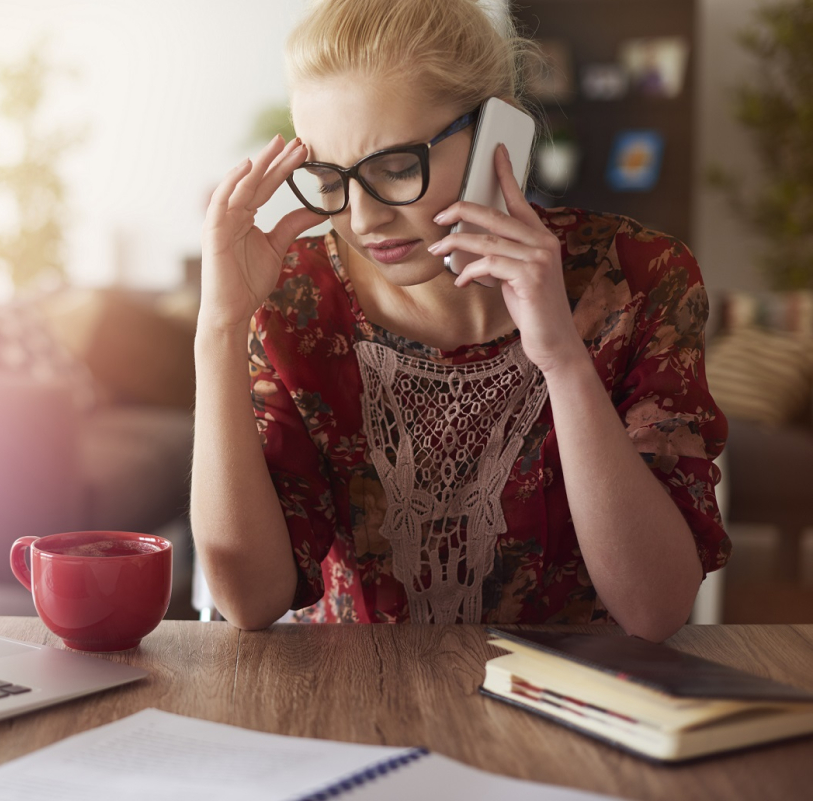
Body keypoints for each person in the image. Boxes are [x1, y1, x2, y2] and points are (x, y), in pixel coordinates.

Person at [189, 0, 729, 642]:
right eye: (329, 178)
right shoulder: (294, 295)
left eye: (395, 168)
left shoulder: (641, 276)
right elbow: (250, 601)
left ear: (498, 135)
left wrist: (560, 357)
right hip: (348, 708)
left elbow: (655, 608)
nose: (362, 219)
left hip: (573, 713)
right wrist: (219, 329)